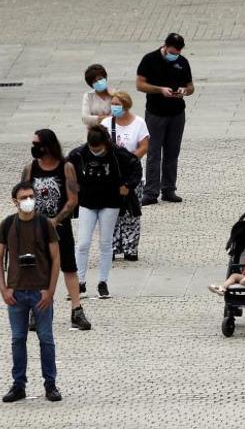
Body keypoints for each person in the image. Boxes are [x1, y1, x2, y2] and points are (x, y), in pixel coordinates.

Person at [21, 129, 91, 330]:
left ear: (48, 145)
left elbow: (72, 200)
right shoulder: (30, 169)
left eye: (37, 144)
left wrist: (55, 220)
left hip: (60, 227)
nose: (34, 147)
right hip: (34, 228)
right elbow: (22, 195)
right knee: (38, 268)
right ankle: (38, 310)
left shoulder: (65, 167)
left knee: (69, 267)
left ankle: (77, 310)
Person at [0, 182, 62, 402]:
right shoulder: (7, 225)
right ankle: (19, 384)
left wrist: (51, 290)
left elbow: (56, 259)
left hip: (41, 292)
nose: (28, 200)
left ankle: (50, 384)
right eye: (23, 197)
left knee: (46, 339)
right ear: (15, 201)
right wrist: (4, 289)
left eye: (31, 196)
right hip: (16, 293)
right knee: (18, 339)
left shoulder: (45, 225)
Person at [67, 126, 142, 299]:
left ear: (105, 143)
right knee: (83, 243)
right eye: (93, 149)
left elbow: (135, 166)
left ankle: (103, 282)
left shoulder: (117, 153)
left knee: (105, 242)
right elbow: (66, 168)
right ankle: (80, 282)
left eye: (99, 149)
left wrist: (127, 186)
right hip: (87, 202)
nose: (95, 152)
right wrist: (72, 185)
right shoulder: (78, 154)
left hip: (110, 202)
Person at [136, 32, 194, 205]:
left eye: (178, 52)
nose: (175, 55)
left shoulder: (182, 62)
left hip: (177, 113)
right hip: (155, 113)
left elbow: (191, 86)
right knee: (153, 152)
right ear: (165, 46)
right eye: (172, 51)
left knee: (172, 151)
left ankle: (169, 189)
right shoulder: (149, 59)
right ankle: (151, 192)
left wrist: (185, 91)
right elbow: (140, 84)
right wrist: (159, 89)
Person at [101, 91, 150, 261]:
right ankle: (113, 247)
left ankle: (130, 248)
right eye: (112, 104)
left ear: (126, 105)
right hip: (111, 177)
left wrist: (130, 160)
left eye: (117, 104)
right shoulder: (106, 123)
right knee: (111, 213)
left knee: (131, 214)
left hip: (132, 176)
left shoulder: (139, 123)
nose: (114, 107)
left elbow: (144, 146)